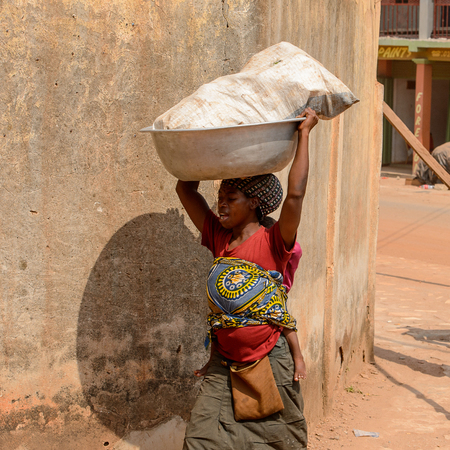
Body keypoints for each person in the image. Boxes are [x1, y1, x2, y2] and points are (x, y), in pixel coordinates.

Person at [176, 108, 319, 449]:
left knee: (278, 441)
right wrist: (203, 144)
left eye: (230, 199)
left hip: (269, 360)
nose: (220, 206)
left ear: (254, 203)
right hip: (223, 363)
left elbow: (295, 195)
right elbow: (185, 189)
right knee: (200, 438)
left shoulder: (273, 242)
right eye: (219, 198)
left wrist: (305, 134)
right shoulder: (218, 236)